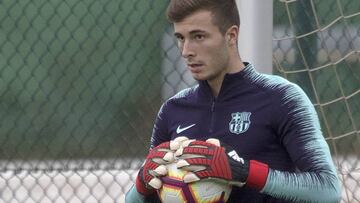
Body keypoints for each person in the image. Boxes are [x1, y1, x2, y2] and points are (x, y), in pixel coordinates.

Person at [126, 0, 341, 202]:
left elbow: (328, 190)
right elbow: (135, 199)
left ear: (231, 35)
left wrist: (244, 171)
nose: (186, 51)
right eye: (181, 38)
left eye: (198, 36)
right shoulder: (172, 110)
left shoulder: (283, 97)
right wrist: (142, 183)